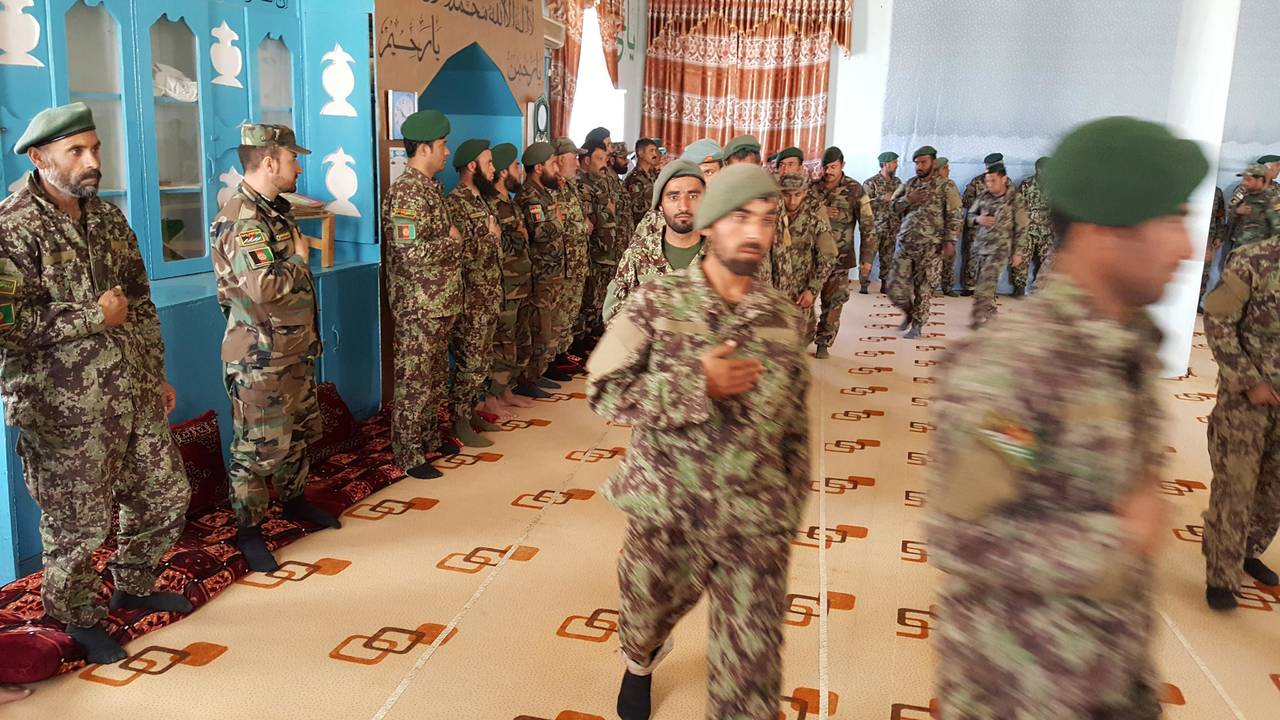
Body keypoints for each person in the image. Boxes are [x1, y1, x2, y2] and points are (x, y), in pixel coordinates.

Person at [928, 116, 1206, 718]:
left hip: (1110, 676)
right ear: (1103, 229)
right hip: (1022, 690)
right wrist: (1117, 540)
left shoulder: (1125, 345)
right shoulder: (1018, 366)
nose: (1189, 249)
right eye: (1171, 220)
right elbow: (960, 536)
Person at [587, 163, 809, 720]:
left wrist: (787, 513)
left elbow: (795, 430)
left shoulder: (782, 318)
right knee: (644, 616)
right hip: (668, 507)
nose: (755, 232)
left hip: (753, 516)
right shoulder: (655, 302)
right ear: (709, 223)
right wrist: (694, 384)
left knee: (750, 678)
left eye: (767, 219)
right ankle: (639, 661)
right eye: (740, 217)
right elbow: (603, 389)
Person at [0, 102, 190, 663]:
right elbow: (6, 325)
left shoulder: (106, 217)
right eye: (76, 151)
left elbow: (140, 302)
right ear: (39, 158)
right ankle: (75, 616)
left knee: (164, 492)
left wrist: (154, 374)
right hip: (61, 406)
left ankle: (133, 584)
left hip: (130, 389)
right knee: (76, 523)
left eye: (95, 148)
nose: (92, 161)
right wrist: (91, 317)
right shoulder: (12, 226)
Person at [212, 122, 339, 573]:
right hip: (259, 358)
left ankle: (295, 501)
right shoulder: (243, 219)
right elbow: (262, 287)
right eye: (292, 159)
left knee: (298, 434)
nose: (298, 168)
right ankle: (248, 531)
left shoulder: (276, 210)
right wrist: (300, 261)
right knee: (256, 449)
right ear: (269, 162)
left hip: (292, 348)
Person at [1201, 215, 1280, 610]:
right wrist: (1250, 380)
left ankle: (1248, 549)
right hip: (1246, 399)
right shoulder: (1252, 259)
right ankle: (1222, 574)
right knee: (1236, 485)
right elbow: (1217, 320)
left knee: (1274, 488)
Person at [379, 110, 463, 478]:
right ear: (425, 148)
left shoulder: (429, 188)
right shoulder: (407, 192)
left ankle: (429, 437)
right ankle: (409, 452)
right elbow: (409, 253)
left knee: (434, 376)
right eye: (443, 144)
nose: (447, 151)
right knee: (415, 380)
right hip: (418, 305)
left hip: (438, 302)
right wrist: (451, 242)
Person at [444, 139, 503, 446]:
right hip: (471, 297)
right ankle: (459, 420)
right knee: (469, 363)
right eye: (488, 162)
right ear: (471, 166)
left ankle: (470, 411)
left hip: (488, 294)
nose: (494, 169)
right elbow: (460, 253)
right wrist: (491, 239)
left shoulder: (483, 200)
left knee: (481, 361)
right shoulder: (456, 203)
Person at [605, 161, 706, 323]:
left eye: (693, 196)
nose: (683, 206)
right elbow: (614, 317)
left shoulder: (721, 255)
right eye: (674, 197)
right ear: (660, 205)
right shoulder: (638, 256)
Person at [888, 146, 961, 338]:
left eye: (923, 162)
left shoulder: (946, 186)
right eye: (916, 163)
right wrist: (908, 199)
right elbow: (893, 207)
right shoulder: (909, 184)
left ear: (933, 163)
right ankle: (909, 312)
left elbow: (955, 215)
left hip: (931, 246)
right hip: (906, 244)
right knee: (894, 288)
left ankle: (917, 325)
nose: (919, 166)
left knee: (924, 288)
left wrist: (950, 241)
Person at [514, 142, 569, 395]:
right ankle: (528, 380)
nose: (556, 168)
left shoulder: (544, 193)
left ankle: (539, 373)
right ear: (538, 168)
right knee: (539, 329)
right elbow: (538, 232)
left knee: (550, 328)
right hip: (539, 275)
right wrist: (557, 222)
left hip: (551, 273)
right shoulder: (530, 197)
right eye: (552, 164)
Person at [809, 146, 875, 358]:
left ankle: (824, 343)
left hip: (840, 258)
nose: (828, 171)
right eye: (825, 167)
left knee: (834, 302)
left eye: (833, 167)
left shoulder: (855, 190)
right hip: (810, 259)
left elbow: (868, 225)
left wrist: (867, 258)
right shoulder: (812, 188)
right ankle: (803, 336)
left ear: (842, 165)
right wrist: (820, 211)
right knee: (805, 300)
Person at [486, 142, 538, 408]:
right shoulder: (492, 205)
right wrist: (519, 236)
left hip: (521, 284)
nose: (520, 170)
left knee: (518, 339)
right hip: (505, 285)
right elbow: (495, 245)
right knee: (502, 342)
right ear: (504, 172)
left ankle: (507, 390)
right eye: (516, 166)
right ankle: (492, 396)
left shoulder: (511, 203)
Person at [773, 172, 838, 347]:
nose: (792, 201)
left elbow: (828, 257)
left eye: (797, 195)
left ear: (805, 194)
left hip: (800, 293)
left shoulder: (814, 223)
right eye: (787, 194)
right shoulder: (769, 221)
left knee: (798, 339)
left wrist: (812, 289)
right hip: (772, 292)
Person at [966, 164, 1027, 330]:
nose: (990, 184)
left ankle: (977, 318)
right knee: (985, 283)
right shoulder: (983, 196)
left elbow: (1022, 228)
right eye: (987, 181)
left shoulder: (1015, 199)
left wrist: (1018, 253)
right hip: (981, 247)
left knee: (986, 284)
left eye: (993, 180)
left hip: (1000, 249)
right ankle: (991, 316)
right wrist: (978, 219)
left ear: (1004, 179)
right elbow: (970, 216)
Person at [551, 137, 591, 375]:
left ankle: (563, 352)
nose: (577, 163)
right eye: (573, 158)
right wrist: (581, 226)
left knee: (570, 311)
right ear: (558, 160)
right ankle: (553, 358)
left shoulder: (570, 187)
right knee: (559, 313)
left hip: (576, 262)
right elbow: (557, 225)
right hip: (563, 265)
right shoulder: (552, 189)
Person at [958, 152, 1004, 296]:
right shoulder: (977, 181)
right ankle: (970, 286)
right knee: (973, 257)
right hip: (977, 226)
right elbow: (966, 201)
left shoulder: (1006, 183)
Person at [1015, 156, 1055, 295]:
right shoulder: (1026, 184)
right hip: (1028, 229)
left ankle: (1042, 291)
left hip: (1047, 230)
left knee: (1049, 261)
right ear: (1037, 169)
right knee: (1022, 258)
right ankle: (1019, 287)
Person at [864, 151, 903, 291]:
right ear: (886, 164)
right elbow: (863, 204)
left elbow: (901, 202)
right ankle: (864, 283)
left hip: (892, 227)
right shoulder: (870, 182)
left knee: (888, 257)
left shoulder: (898, 183)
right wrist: (881, 198)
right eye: (894, 162)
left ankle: (885, 283)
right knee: (868, 255)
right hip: (874, 227)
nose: (896, 165)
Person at [625, 139, 662, 229]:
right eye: (651, 151)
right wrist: (658, 203)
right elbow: (635, 208)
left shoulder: (655, 174)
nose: (655, 154)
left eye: (655, 150)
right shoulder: (634, 179)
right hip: (641, 228)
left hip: (656, 225)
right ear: (641, 154)